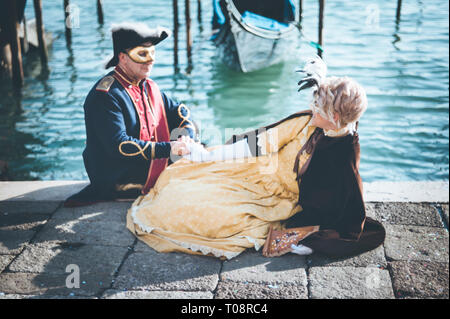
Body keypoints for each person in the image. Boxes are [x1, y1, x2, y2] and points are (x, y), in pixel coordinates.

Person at [126, 57, 385, 259]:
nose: (311, 113)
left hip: (277, 198)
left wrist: (314, 234)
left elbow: (346, 195)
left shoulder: (345, 148)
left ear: (336, 119)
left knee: (210, 216)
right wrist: (206, 157)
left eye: (318, 110)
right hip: (254, 171)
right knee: (179, 182)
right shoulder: (307, 122)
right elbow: (259, 144)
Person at [65, 22, 196, 207]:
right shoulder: (105, 95)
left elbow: (179, 111)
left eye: (152, 54)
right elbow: (120, 146)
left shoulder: (148, 86)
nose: (150, 60)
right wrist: (171, 149)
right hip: (119, 179)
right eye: (142, 54)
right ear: (122, 58)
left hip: (148, 166)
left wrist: (187, 136)